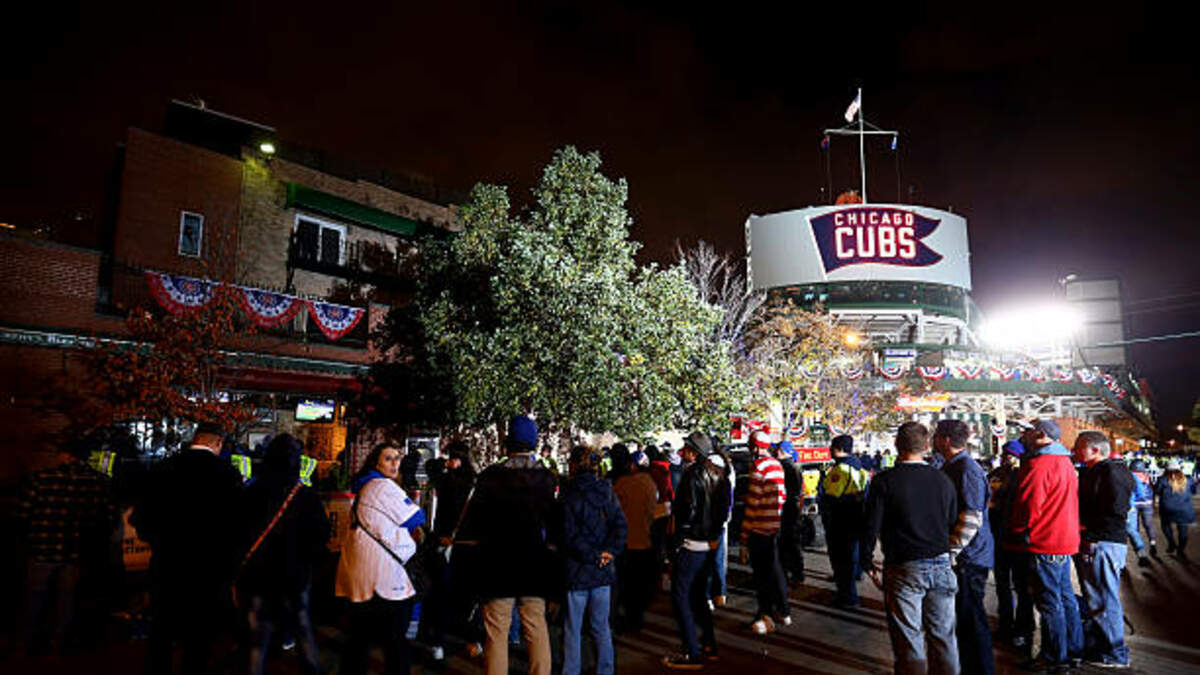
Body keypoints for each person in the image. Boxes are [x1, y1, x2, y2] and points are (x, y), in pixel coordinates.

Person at [133, 421, 244, 675]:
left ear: (195, 439)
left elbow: (142, 519)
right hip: (209, 571)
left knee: (161, 631)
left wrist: (161, 541)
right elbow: (237, 526)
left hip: (167, 564)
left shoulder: (163, 469)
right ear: (218, 443)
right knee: (199, 638)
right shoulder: (227, 474)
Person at [457, 415, 559, 675]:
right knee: (536, 626)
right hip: (534, 562)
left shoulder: (490, 477)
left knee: (496, 631)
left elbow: (473, 523)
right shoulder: (546, 479)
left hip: (497, 562)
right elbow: (554, 523)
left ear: (506, 442)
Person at [861, 422, 959, 675]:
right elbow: (951, 521)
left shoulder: (884, 481)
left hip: (905, 567)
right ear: (927, 447)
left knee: (908, 637)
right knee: (944, 636)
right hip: (941, 564)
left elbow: (871, 526)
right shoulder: (943, 480)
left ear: (896, 445)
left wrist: (867, 561)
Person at [239, 434, 330, 675]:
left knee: (258, 637)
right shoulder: (305, 495)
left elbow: (238, 531)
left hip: (259, 574)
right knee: (302, 629)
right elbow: (320, 536)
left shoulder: (253, 492)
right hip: (294, 574)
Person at [17, 438, 117, 656]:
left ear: (65, 456)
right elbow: (108, 517)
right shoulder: (96, 482)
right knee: (67, 601)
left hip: (42, 549)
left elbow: (23, 515)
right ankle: (57, 643)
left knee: (34, 599)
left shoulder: (41, 479)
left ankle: (27, 643)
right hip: (74, 550)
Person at [335, 441, 426, 675]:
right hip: (385, 581)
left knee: (358, 643)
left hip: (360, 579)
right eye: (388, 458)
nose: (395, 462)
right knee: (396, 645)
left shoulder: (365, 487)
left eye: (397, 457)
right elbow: (417, 518)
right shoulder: (382, 486)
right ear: (376, 462)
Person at [1007, 419, 1082, 672]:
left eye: (1026, 431)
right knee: (1065, 597)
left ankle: (1054, 658)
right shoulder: (1065, 462)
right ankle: (1073, 649)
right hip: (1063, 539)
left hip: (1044, 541)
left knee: (1050, 603)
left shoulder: (1039, 465)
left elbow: (1029, 506)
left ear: (1039, 434)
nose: (1022, 435)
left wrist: (1017, 532)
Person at [661, 432, 729, 669]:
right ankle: (709, 645)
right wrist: (713, 537)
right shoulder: (720, 474)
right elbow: (722, 511)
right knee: (699, 595)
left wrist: (676, 544)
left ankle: (692, 652)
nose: (683, 451)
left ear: (694, 451)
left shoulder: (693, 476)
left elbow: (686, 514)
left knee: (680, 598)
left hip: (691, 544)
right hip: (708, 544)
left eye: (687, 447)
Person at [933, 420, 994, 675]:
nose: (934, 441)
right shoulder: (953, 467)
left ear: (946, 440)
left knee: (971, 620)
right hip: (966, 556)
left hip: (969, 558)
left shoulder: (966, 469)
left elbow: (972, 515)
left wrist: (952, 551)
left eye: (937, 436)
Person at [561, 446, 627, 675]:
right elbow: (621, 525)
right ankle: (605, 669)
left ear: (574, 465)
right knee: (601, 627)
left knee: (573, 628)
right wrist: (609, 551)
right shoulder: (607, 490)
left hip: (578, 570)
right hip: (602, 569)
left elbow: (569, 536)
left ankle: (571, 670)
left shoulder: (569, 494)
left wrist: (592, 555)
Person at [1072, 431, 1135, 669]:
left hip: (1103, 543)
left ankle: (1116, 654)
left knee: (1103, 598)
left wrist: (1088, 526)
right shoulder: (1095, 471)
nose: (1075, 450)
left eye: (1079, 447)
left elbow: (1117, 510)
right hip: (1097, 542)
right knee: (1098, 597)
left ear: (1094, 449)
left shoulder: (1112, 472)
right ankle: (1106, 649)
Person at [742, 430, 790, 634]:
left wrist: (744, 535)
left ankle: (765, 614)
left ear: (755, 446)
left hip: (759, 528)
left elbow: (752, 504)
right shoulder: (777, 466)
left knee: (761, 575)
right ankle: (783, 610)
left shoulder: (758, 468)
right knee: (775, 569)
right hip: (774, 525)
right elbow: (783, 496)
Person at [988, 439, 1033, 653]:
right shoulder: (996, 473)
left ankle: (1023, 629)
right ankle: (1006, 625)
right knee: (1003, 584)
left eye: (1011, 454)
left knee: (1022, 587)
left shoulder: (1025, 475)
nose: (1007, 458)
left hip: (1018, 539)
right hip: (1000, 536)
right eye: (1006, 454)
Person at [820, 434, 870, 607]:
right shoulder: (860, 468)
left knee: (842, 560)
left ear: (838, 449)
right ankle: (855, 576)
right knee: (851, 555)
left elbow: (831, 496)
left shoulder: (839, 470)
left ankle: (847, 597)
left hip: (840, 521)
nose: (829, 451)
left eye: (831, 448)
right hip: (856, 518)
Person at [614, 449, 659, 633]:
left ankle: (625, 619)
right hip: (645, 542)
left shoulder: (622, 483)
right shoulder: (651, 484)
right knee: (640, 585)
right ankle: (637, 618)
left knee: (626, 585)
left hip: (626, 542)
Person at [775, 440, 806, 584]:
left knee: (786, 542)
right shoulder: (795, 467)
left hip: (786, 509)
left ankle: (791, 573)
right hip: (793, 508)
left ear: (781, 451)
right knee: (792, 542)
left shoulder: (783, 468)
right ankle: (797, 572)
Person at [1156, 460, 1198, 559]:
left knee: (1165, 525)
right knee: (1183, 530)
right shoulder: (1188, 480)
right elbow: (1193, 492)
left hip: (1168, 509)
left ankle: (1171, 543)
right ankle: (1181, 550)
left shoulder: (1162, 479)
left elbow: (1158, 491)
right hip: (1184, 509)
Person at [1127, 459, 1157, 559]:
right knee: (1148, 525)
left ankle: (1140, 547)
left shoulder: (1130, 475)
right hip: (1147, 503)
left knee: (1134, 528)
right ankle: (1152, 543)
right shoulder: (1146, 476)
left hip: (1134, 503)